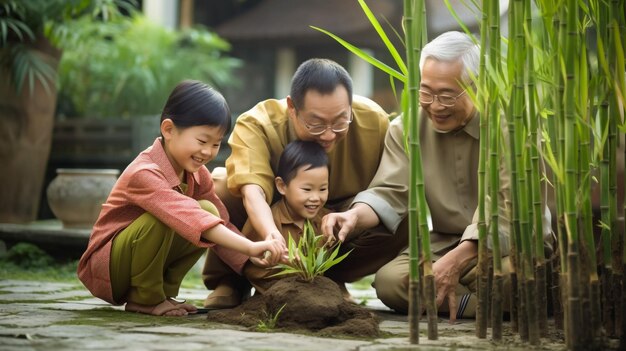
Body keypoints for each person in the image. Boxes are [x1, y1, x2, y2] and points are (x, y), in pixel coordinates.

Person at [321, 31, 553, 322]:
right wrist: (353, 217)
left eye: (446, 95)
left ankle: (462, 297)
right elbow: (389, 192)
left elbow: (509, 209)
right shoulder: (406, 128)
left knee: (514, 277)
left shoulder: (511, 128)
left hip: (512, 244)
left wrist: (457, 260)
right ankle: (480, 304)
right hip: (445, 242)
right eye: (426, 93)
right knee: (391, 282)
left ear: (478, 86)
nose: (434, 106)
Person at [203, 58, 408, 308]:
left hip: (341, 220)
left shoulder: (374, 121)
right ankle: (232, 280)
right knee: (222, 188)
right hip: (272, 216)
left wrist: (354, 215)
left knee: (398, 217)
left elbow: (389, 190)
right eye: (316, 124)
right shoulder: (258, 123)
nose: (329, 134)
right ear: (292, 107)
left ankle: (328, 279)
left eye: (340, 121)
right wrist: (271, 235)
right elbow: (252, 191)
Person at [77, 80, 286, 317]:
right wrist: (250, 245)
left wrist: (250, 255)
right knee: (175, 216)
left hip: (136, 260)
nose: (207, 152)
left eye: (216, 144)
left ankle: (163, 295)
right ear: (168, 129)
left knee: (209, 210)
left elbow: (221, 223)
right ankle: (146, 298)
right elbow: (189, 217)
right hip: (110, 267)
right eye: (202, 141)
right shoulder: (144, 172)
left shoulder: (198, 175)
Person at [243, 140, 333, 294]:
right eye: (307, 189)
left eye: (323, 189)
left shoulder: (326, 220)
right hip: (274, 293)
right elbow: (246, 262)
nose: (315, 197)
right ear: (282, 186)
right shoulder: (267, 221)